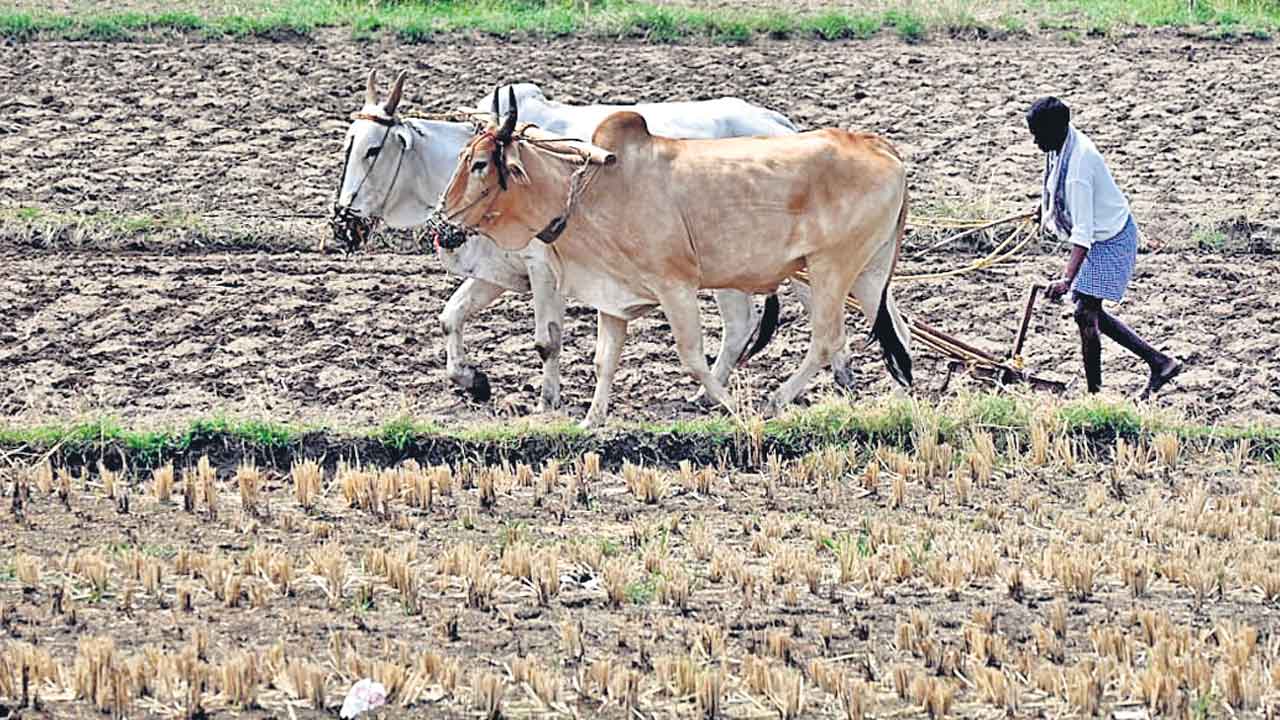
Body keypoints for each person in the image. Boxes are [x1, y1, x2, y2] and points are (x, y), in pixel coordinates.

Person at [1026, 96, 1181, 399]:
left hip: (1112, 238)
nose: (1035, 142)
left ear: (1056, 130)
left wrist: (1066, 279)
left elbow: (1083, 233)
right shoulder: (1063, 145)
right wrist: (1045, 208)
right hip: (1102, 233)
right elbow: (1057, 188)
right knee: (1088, 311)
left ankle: (1095, 396)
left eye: (1038, 135)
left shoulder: (1079, 167)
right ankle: (1160, 363)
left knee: (1085, 313)